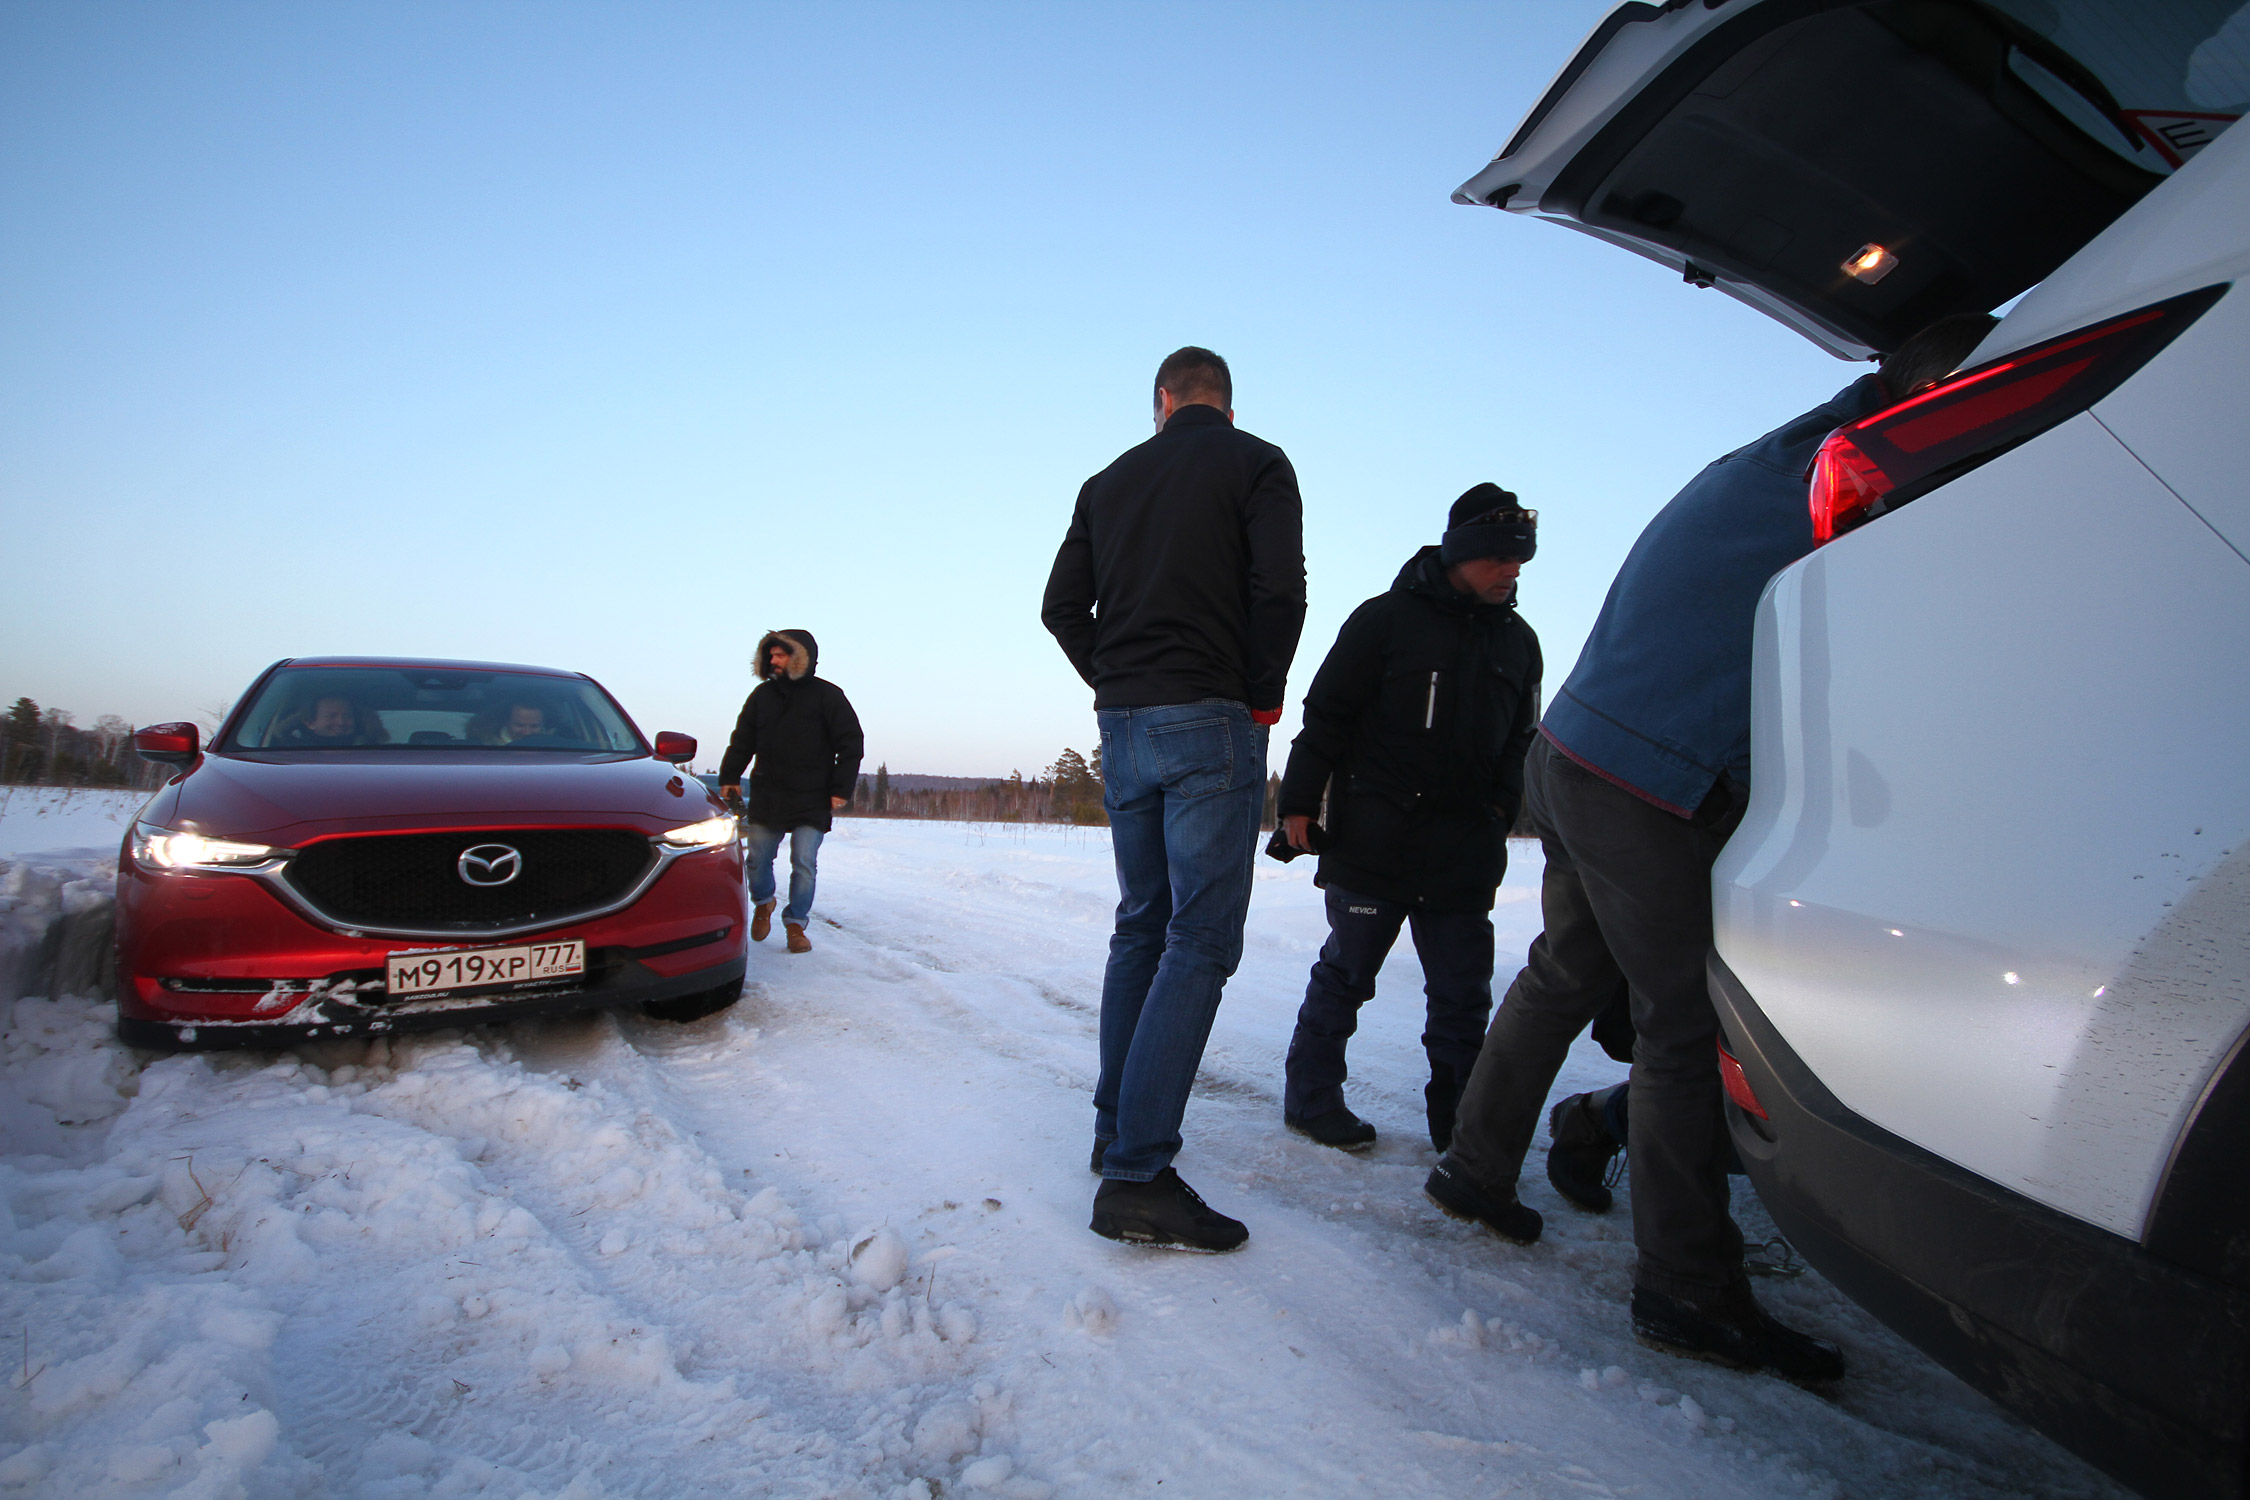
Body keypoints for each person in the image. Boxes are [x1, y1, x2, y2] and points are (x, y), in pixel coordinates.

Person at [1429, 314, 1996, 1383]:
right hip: (1642, 774)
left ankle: (1474, 1166)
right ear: (1940, 394)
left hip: (1577, 745)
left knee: (1566, 972)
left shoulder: (1774, 454)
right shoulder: (1866, 475)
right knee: (1682, 1022)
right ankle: (1686, 1286)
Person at [1041, 345, 1306, 1252]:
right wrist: (1262, 692)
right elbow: (1279, 587)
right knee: (1197, 937)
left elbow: (1059, 607)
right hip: (1211, 716)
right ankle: (1138, 1172)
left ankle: (1118, 1128)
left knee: (1142, 922)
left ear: (1162, 401)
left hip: (1126, 723)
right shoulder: (1258, 462)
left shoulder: (1107, 480)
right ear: (1225, 403)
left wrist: (1116, 677)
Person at [1273, 483, 1542, 1155]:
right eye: (1500, 560)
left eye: (1520, 562)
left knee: (1462, 1001)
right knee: (1345, 978)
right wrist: (1300, 803)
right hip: (1374, 842)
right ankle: (1311, 1100)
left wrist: (1503, 807)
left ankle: (1461, 1133)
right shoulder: (1385, 621)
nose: (1512, 572)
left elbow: (1521, 741)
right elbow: (1326, 715)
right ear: (1463, 554)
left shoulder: (1520, 643)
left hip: (1463, 853)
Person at [718, 630, 865, 955]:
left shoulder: (828, 696)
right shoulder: (762, 697)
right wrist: (729, 775)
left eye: (780, 655)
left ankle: (796, 924)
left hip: (813, 796)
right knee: (757, 861)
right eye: (770, 655)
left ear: (800, 657)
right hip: (769, 794)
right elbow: (742, 739)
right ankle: (764, 902)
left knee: (804, 862)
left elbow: (851, 743)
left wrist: (841, 789)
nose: (774, 661)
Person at [272, 695, 375, 747]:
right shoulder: (290, 754)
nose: (341, 722)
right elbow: (278, 733)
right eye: (331, 716)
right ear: (310, 723)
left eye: (347, 716)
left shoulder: (374, 752)